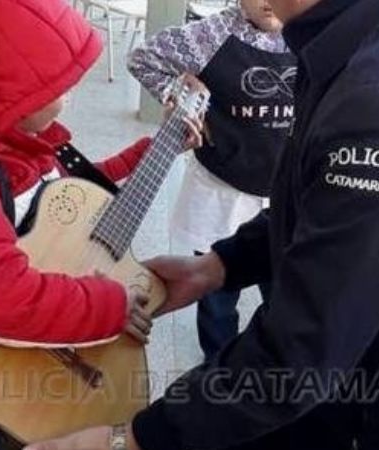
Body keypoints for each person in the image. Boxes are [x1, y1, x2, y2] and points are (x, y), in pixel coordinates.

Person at [28, 0, 379, 449]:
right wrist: (219, 265)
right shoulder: (363, 30)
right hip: (359, 351)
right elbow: (322, 204)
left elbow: (298, 358)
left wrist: (132, 438)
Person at [0, 0, 200, 448]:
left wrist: (148, 154)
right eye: (57, 89)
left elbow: (65, 197)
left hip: (28, 350)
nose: (69, 99)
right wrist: (108, 306)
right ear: (12, 97)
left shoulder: (12, 141)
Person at [127, 0, 294, 360]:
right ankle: (217, 364)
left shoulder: (307, 33)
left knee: (283, 285)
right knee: (217, 295)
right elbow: (143, 58)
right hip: (223, 186)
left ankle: (275, 364)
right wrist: (182, 97)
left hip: (283, 188)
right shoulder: (211, 34)